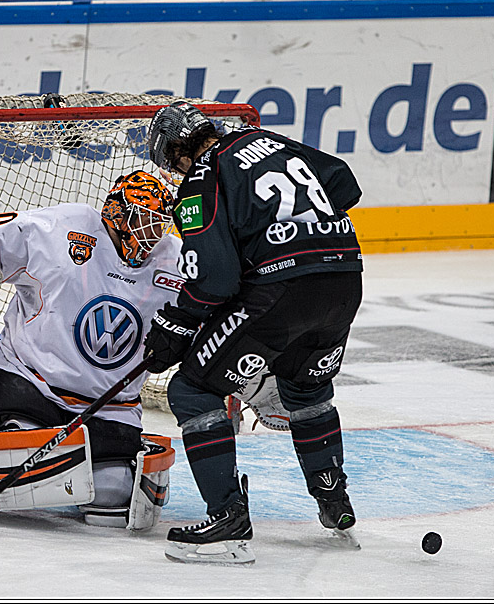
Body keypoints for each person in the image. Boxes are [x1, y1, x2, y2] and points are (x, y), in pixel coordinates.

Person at [141, 102, 364, 564]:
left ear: (179, 150)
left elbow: (216, 281)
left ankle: (226, 518)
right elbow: (344, 181)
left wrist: (176, 324)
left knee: (192, 389)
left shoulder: (201, 177)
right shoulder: (270, 142)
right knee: (306, 387)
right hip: (344, 278)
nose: (176, 171)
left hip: (283, 292)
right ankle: (334, 501)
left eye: (172, 162)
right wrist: (297, 230)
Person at [0, 170, 180, 527]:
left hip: (111, 406)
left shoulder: (176, 261)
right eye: (144, 221)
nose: (153, 234)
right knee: (21, 471)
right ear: (117, 213)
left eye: (160, 224)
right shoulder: (64, 227)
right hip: (32, 381)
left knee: (112, 495)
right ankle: (10, 437)